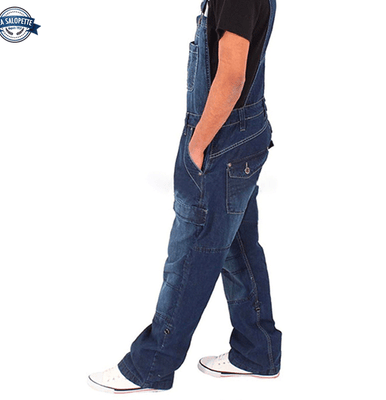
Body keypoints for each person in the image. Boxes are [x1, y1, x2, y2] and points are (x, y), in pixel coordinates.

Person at [88, 0, 281, 394]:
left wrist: (197, 145)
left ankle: (150, 365)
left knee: (192, 252)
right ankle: (256, 351)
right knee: (238, 248)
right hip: (245, 134)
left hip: (222, 142)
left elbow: (231, 77)